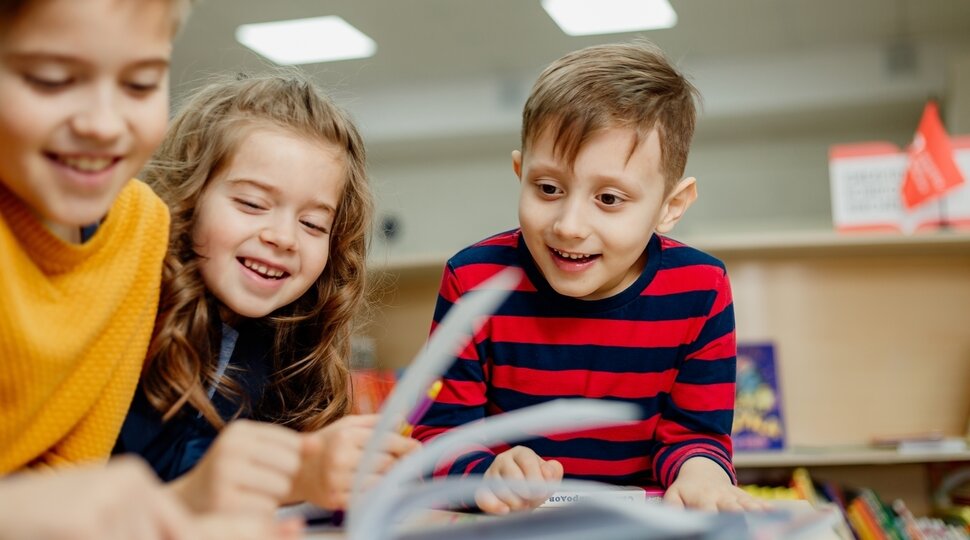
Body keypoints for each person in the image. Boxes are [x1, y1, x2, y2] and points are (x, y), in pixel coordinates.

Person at [411, 41, 767, 514]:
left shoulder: (701, 289)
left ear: (670, 207)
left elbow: (695, 434)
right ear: (520, 174)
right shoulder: (472, 279)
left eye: (610, 199)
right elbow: (438, 437)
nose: (569, 225)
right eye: (548, 188)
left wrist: (701, 473)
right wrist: (485, 474)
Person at [0, 1, 299, 537]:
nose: (102, 124)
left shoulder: (141, 227)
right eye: (50, 80)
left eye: (139, 85)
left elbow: (75, 477)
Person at [113, 72, 419, 516]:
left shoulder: (287, 342)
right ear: (188, 198)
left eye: (313, 224)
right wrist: (293, 474)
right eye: (252, 204)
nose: (283, 237)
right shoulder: (128, 321)